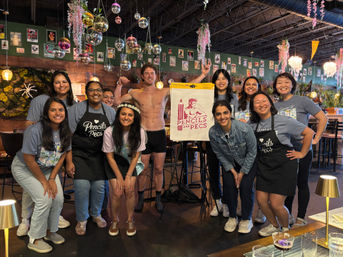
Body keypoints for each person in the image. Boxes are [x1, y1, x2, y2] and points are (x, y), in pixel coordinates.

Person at [17, 71, 75, 237]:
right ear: (52, 85)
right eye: (57, 82)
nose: (61, 85)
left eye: (65, 81)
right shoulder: (41, 100)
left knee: (53, 186)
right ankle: (25, 220)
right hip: (38, 151)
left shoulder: (71, 103)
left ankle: (54, 217)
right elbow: (29, 124)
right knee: (32, 188)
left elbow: (68, 133)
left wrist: (68, 159)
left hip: (57, 152)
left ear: (69, 84)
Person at [249, 92, 314, 237]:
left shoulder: (284, 120)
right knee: (261, 201)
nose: (261, 104)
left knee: (276, 204)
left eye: (264, 100)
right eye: (257, 102)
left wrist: (302, 153)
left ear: (270, 103)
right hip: (265, 166)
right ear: (253, 108)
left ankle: (285, 229)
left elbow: (309, 132)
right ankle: (274, 226)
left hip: (284, 167)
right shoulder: (252, 125)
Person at [12, 98, 71, 253]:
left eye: (61, 110)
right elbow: (28, 159)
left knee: (58, 198)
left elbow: (63, 154)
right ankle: (35, 239)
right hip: (24, 168)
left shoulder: (65, 130)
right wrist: (44, 182)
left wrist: (51, 178)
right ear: (46, 112)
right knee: (44, 198)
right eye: (53, 110)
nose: (57, 113)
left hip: (47, 169)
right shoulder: (35, 130)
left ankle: (50, 232)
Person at [273, 72, 327, 227]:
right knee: (287, 184)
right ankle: (288, 215)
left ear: (292, 84)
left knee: (301, 183)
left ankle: (301, 218)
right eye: (279, 83)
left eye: (286, 82)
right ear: (275, 87)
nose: (283, 85)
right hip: (283, 150)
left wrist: (316, 138)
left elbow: (323, 117)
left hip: (302, 148)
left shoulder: (302, 101)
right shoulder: (275, 106)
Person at [114, 63, 170, 212]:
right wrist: (119, 84)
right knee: (142, 169)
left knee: (159, 168)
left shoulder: (164, 92)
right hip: (143, 134)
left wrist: (202, 75)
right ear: (143, 76)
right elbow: (117, 102)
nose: (150, 75)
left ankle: (158, 197)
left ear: (155, 76)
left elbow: (186, 89)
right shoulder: (135, 93)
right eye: (147, 73)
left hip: (159, 133)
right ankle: (141, 199)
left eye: (152, 73)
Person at [67, 81, 116, 235]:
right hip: (80, 155)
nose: (95, 93)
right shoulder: (76, 109)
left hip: (100, 156)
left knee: (99, 187)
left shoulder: (109, 112)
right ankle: (82, 219)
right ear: (87, 92)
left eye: (98, 90)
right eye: (92, 90)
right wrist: (69, 161)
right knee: (81, 187)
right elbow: (67, 137)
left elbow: (114, 137)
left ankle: (96, 214)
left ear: (102, 92)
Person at [192, 64, 239, 218]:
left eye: (224, 78)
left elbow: (237, 119)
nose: (221, 81)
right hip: (211, 139)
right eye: (217, 79)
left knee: (228, 173)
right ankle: (217, 202)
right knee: (213, 172)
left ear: (228, 81)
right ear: (213, 81)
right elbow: (191, 88)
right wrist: (203, 74)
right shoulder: (207, 95)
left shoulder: (234, 98)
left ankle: (226, 203)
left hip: (230, 141)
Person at [209, 100, 257, 233]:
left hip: (248, 160)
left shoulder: (244, 128)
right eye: (218, 114)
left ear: (230, 113)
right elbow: (219, 153)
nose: (222, 116)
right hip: (230, 163)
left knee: (245, 187)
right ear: (214, 116)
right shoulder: (213, 132)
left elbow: (252, 152)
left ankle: (247, 219)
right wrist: (233, 171)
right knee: (229, 186)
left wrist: (242, 173)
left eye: (225, 113)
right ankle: (232, 217)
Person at [102, 102, 146, 236]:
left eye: (130, 115)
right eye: (123, 114)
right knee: (117, 191)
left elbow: (136, 155)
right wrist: (119, 178)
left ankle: (130, 219)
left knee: (130, 189)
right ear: (118, 115)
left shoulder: (140, 131)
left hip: (129, 162)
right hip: (114, 161)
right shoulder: (109, 131)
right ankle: (115, 220)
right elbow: (109, 157)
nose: (126, 117)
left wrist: (127, 176)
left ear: (134, 117)